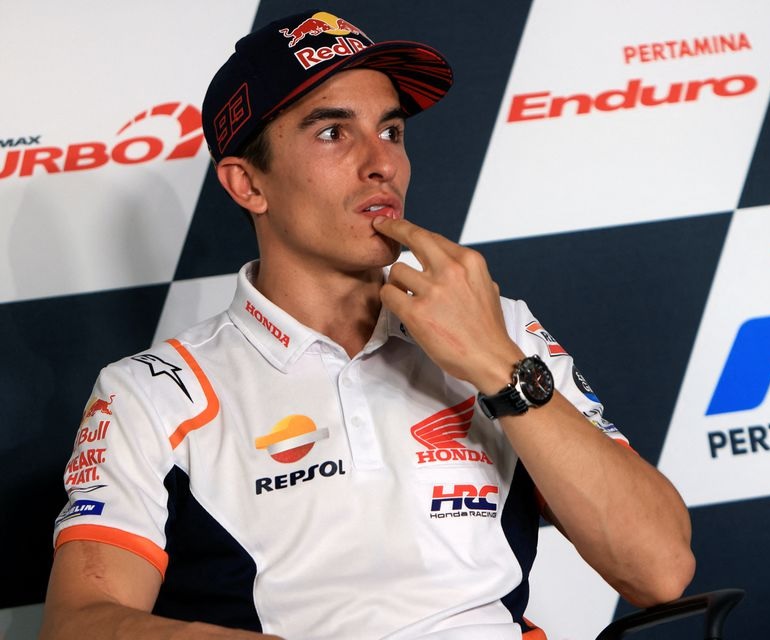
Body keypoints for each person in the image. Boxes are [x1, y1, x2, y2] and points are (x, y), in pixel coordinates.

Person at [40, 9, 694, 640]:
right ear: (247, 186)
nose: (382, 162)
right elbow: (80, 622)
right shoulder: (152, 393)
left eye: (392, 131)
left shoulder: (502, 331)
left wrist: (498, 367)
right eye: (333, 132)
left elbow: (660, 572)